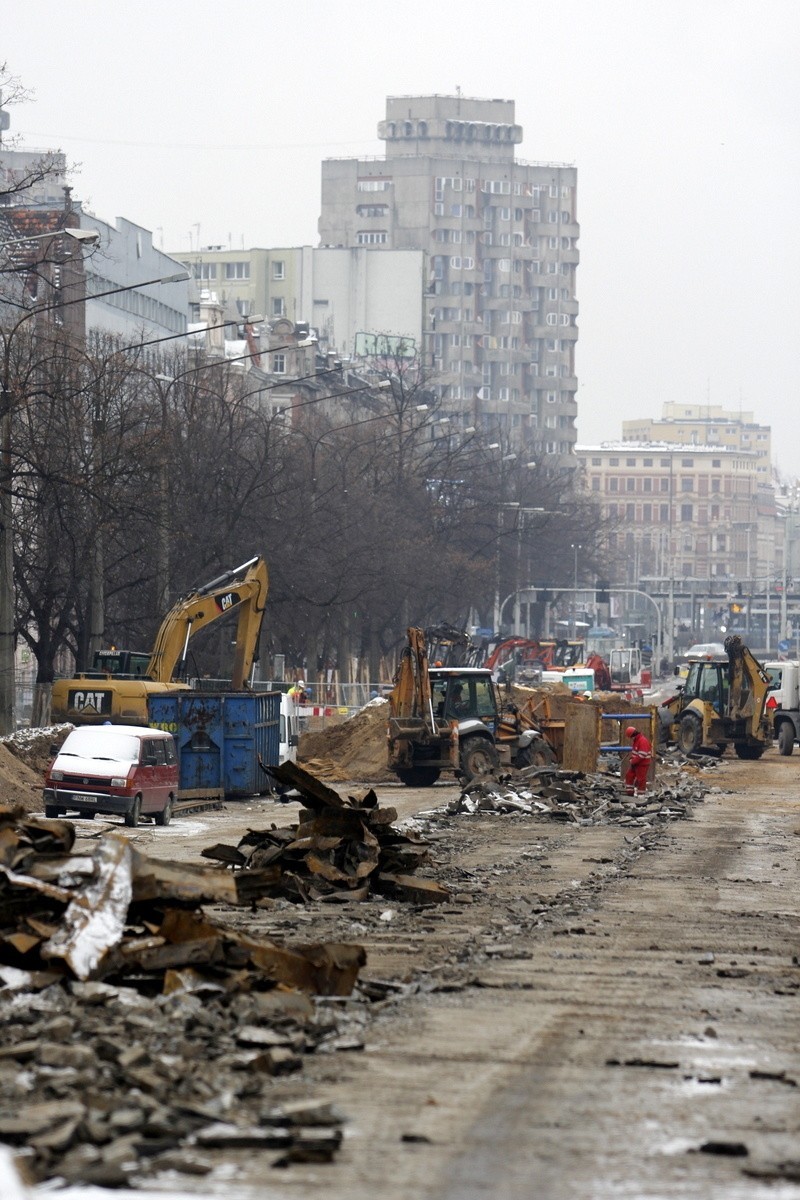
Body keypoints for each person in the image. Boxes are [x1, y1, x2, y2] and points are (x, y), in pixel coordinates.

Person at [624, 724, 652, 797]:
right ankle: (629, 793)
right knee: (629, 775)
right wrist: (632, 759)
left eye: (630, 737)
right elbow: (636, 753)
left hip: (642, 764)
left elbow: (642, 755)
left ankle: (641, 795)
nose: (630, 739)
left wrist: (633, 761)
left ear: (633, 735)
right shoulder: (637, 740)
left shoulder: (642, 741)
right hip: (636, 763)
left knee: (641, 779)